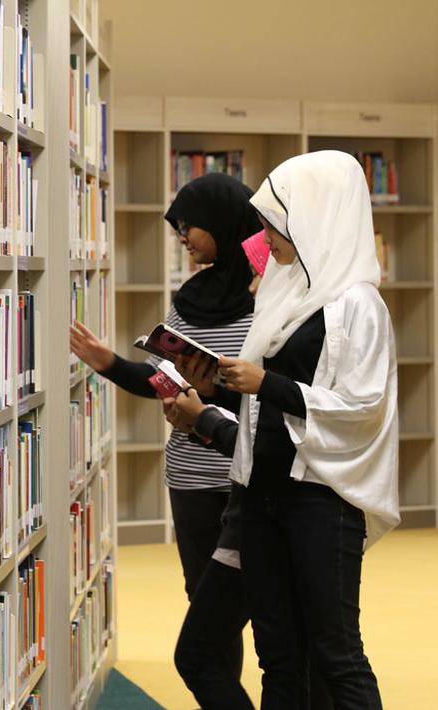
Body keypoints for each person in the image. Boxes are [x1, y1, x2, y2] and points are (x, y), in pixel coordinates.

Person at [165, 150, 399, 709]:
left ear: (317, 217)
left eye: (275, 225)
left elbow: (360, 406)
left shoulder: (359, 306)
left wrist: (264, 384)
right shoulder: (282, 294)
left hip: (319, 503)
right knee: (278, 657)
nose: (264, 240)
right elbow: (263, 407)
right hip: (260, 498)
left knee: (336, 654)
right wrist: (220, 387)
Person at [70, 172, 259, 695]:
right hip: (191, 479)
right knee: (206, 609)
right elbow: (161, 381)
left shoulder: (266, 297)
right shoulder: (190, 295)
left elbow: (271, 395)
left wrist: (213, 397)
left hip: (244, 473)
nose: (182, 234)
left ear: (223, 223)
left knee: (254, 615)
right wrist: (108, 362)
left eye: (190, 224)